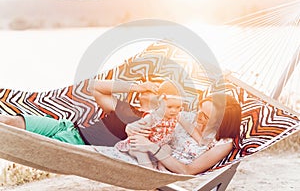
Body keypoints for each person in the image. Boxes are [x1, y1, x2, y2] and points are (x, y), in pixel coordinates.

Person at [0, 77, 162, 146]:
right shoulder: (123, 107)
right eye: (147, 83)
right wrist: (136, 86)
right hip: (67, 126)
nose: (148, 86)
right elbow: (95, 86)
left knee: (25, 145)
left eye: (154, 86)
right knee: (9, 121)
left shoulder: (154, 122)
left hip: (79, 145)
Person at [128, 93, 242, 174]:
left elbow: (187, 170)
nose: (198, 115)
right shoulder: (188, 118)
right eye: (199, 109)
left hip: (166, 174)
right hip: (146, 157)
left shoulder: (223, 144)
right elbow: (154, 121)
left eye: (205, 116)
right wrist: (131, 128)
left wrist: (151, 147)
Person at [115, 80, 185, 168]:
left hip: (156, 147)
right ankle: (148, 168)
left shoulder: (173, 116)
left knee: (167, 148)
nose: (147, 90)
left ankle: (161, 167)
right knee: (141, 154)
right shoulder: (150, 116)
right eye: (170, 107)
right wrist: (138, 87)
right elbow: (98, 89)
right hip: (139, 145)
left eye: (153, 89)